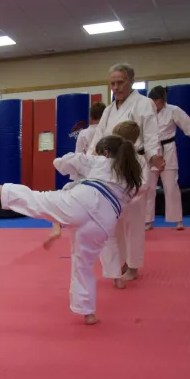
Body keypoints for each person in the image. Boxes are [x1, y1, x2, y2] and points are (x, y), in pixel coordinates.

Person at [0, 135, 143, 326]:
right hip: (105, 220)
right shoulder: (130, 177)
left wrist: (83, 159)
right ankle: (89, 313)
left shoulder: (98, 161)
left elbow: (61, 162)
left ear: (104, 152)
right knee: (83, 265)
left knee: (34, 199)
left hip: (82, 201)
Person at [94, 64, 162, 231]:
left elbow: (151, 134)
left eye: (120, 82)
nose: (116, 88)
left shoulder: (144, 103)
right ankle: (118, 258)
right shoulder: (108, 110)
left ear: (132, 81)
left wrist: (154, 155)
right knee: (113, 217)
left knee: (133, 217)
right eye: (113, 84)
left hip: (134, 163)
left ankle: (133, 258)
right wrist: (89, 158)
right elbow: (98, 136)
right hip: (110, 165)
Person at [146, 86, 190, 232]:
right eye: (153, 101)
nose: (155, 105)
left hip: (168, 150)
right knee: (148, 187)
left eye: (158, 102)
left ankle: (177, 220)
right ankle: (148, 221)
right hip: (150, 151)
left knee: (171, 186)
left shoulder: (174, 110)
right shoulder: (145, 112)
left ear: (163, 101)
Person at [44, 101, 112, 250]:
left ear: (91, 117)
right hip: (102, 174)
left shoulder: (84, 133)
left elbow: (78, 155)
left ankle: (56, 226)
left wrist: (73, 174)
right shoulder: (109, 132)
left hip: (85, 171)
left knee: (62, 196)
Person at [100, 120, 150, 289]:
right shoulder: (114, 159)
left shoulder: (140, 159)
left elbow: (144, 184)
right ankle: (121, 264)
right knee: (117, 234)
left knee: (134, 233)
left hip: (133, 202)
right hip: (117, 202)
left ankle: (133, 267)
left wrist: (128, 196)